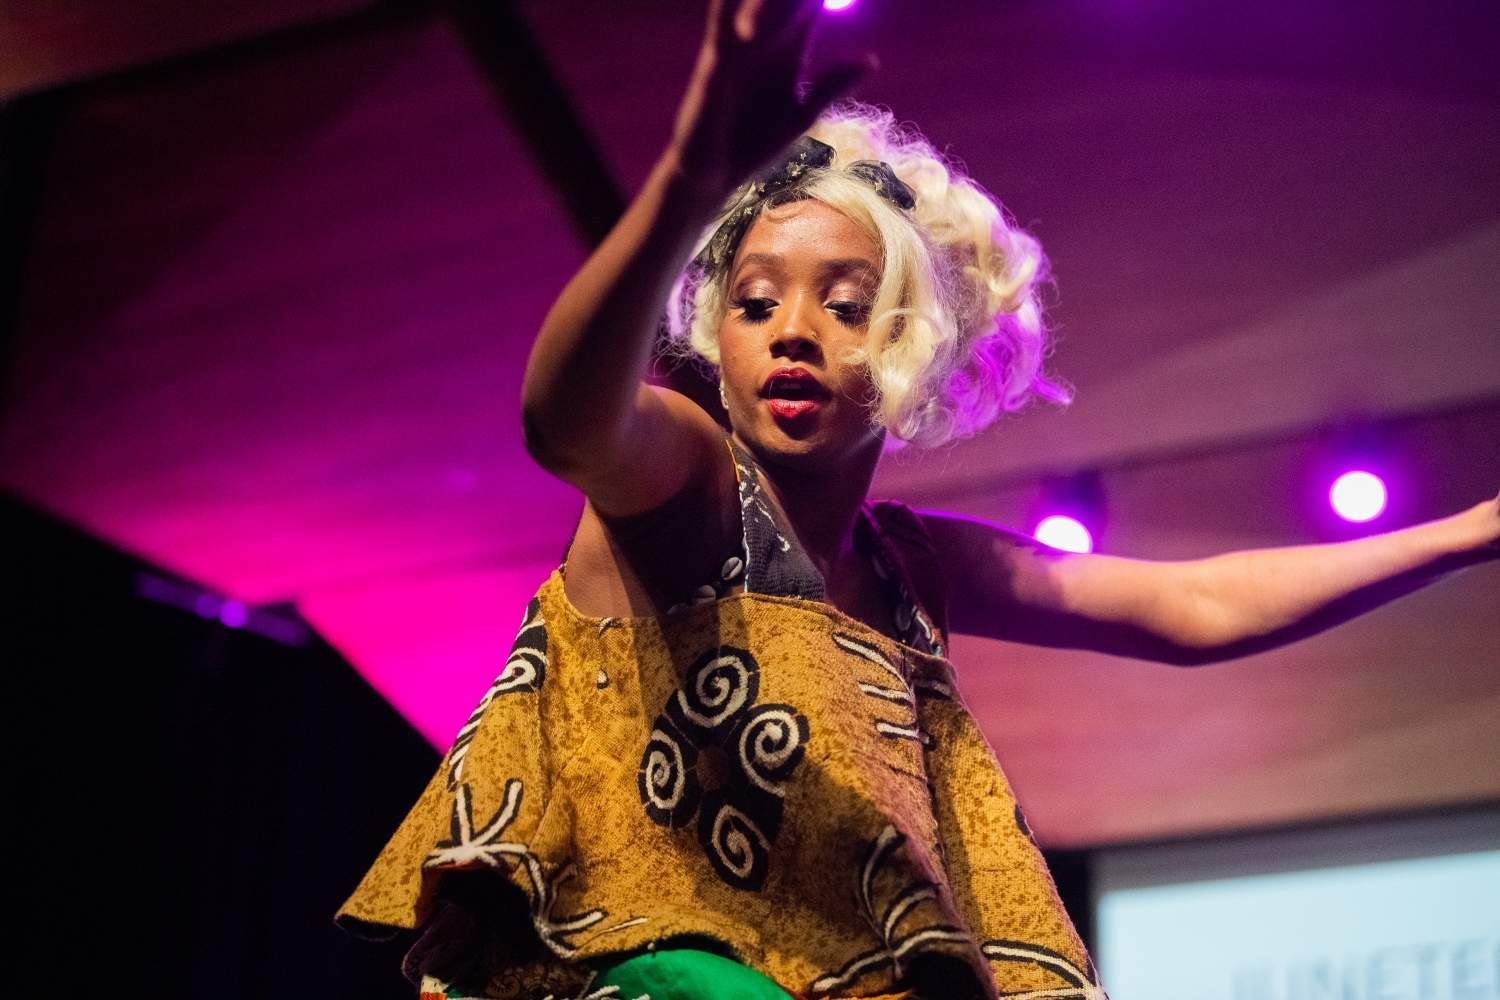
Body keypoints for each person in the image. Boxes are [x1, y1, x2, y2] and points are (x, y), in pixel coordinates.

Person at [333, 2, 1500, 997]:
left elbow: (1193, 607)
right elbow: (564, 421)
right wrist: (690, 175)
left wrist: (1472, 530)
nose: (793, 328)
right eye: (754, 301)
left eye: (845, 303)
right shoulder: (685, 480)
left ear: (913, 347)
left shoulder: (910, 571)